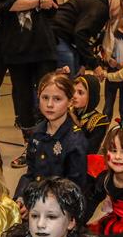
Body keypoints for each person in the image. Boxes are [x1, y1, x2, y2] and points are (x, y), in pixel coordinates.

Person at [0, 0, 58, 169]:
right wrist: (37, 1)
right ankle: (30, 148)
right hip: (17, 50)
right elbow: (9, 4)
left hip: (43, 47)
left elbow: (52, 7)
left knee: (50, 96)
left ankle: (53, 145)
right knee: (23, 100)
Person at [14, 73, 87, 203]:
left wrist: (37, 204)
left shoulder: (75, 140)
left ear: (70, 102)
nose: (49, 104)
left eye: (57, 99)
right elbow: (31, 173)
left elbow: (74, 188)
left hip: (58, 207)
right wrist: (20, 198)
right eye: (45, 97)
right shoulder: (37, 132)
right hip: (35, 200)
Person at [50, 0, 110, 78]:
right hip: (57, 34)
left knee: (74, 64)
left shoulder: (95, 4)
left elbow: (87, 39)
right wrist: (95, 66)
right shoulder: (100, 8)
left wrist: (83, 63)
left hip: (63, 36)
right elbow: (80, 34)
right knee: (68, 66)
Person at [72, 74, 110, 155]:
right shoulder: (67, 113)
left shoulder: (98, 122)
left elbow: (89, 151)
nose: (74, 96)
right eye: (73, 91)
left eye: (80, 93)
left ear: (91, 96)